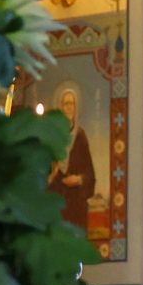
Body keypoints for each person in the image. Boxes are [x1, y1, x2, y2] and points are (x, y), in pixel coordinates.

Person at [46, 84, 96, 234]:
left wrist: (79, 179)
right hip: (57, 198)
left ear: (76, 108)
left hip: (75, 202)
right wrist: (52, 175)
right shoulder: (53, 137)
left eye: (72, 104)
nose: (69, 107)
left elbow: (90, 174)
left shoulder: (80, 136)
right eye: (65, 104)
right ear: (60, 107)